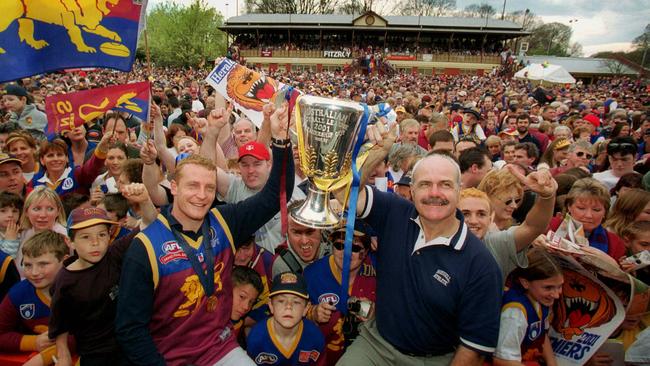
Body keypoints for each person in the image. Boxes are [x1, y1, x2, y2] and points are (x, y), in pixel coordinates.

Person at [115, 103, 293, 365]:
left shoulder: (224, 221)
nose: (201, 195)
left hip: (220, 349)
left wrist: (280, 139)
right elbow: (130, 330)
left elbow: (273, 197)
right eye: (192, 186)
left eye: (209, 187)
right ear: (173, 187)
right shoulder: (146, 248)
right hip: (169, 358)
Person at [338, 150, 503, 365]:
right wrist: (380, 148)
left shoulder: (481, 265)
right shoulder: (395, 212)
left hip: (434, 359)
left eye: (445, 184)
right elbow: (343, 192)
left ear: (459, 190)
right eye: (425, 184)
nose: (434, 193)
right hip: (376, 345)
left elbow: (473, 348)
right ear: (412, 190)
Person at [49, 186, 153, 366]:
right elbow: (60, 322)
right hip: (96, 354)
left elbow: (150, 224)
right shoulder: (65, 281)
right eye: (85, 237)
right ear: (70, 241)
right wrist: (63, 352)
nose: (95, 243)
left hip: (131, 346)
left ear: (110, 235)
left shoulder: (114, 254)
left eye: (102, 234)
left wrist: (144, 200)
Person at [459, 166, 557, 281]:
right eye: (465, 214)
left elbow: (533, 227)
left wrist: (547, 196)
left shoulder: (495, 243)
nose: (474, 220)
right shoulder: (439, 241)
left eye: (481, 214)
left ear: (490, 218)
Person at [304, 225, 376, 364]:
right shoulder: (312, 274)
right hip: (323, 356)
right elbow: (295, 314)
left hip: (368, 355)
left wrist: (375, 314)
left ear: (366, 251)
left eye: (355, 248)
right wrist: (313, 313)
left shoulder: (378, 272)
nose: (346, 253)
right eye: (339, 245)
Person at [0, 231, 69, 365]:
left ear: (65, 261)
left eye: (43, 264)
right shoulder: (18, 293)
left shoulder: (80, 290)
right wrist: (34, 342)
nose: (34, 273)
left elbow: (91, 335)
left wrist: (44, 358)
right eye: (28, 265)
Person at [494, 248, 563, 366]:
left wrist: (552, 363)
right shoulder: (515, 313)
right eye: (548, 288)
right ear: (525, 282)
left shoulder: (540, 299)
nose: (556, 295)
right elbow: (502, 360)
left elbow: (541, 334)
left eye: (560, 286)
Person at [246, 272, 326, 366]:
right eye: (281, 301)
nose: (288, 306)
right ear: (271, 305)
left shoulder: (315, 337)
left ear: (306, 308)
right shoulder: (256, 338)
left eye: (296, 302)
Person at [548, 178, 626, 260]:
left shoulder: (615, 243)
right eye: (581, 208)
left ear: (605, 212)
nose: (589, 215)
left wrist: (615, 266)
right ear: (569, 207)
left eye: (596, 210)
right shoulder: (550, 226)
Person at [230, 265, 264, 340]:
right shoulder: (205, 316)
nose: (246, 307)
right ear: (227, 289)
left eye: (251, 302)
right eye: (242, 297)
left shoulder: (238, 324)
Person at [0, 191, 22, 258]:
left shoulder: (23, 232)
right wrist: (10, 240)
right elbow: (5, 263)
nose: (10, 215)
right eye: (3, 211)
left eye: (14, 211)